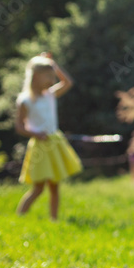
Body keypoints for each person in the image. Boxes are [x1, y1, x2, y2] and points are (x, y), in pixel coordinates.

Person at [15, 53, 82, 220]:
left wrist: (53, 65)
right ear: (35, 76)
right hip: (40, 145)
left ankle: (54, 219)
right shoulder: (25, 100)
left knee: (54, 186)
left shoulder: (50, 95)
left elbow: (68, 82)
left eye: (53, 76)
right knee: (38, 187)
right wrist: (35, 133)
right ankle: (20, 216)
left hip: (54, 143)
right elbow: (19, 126)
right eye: (48, 76)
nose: (52, 80)